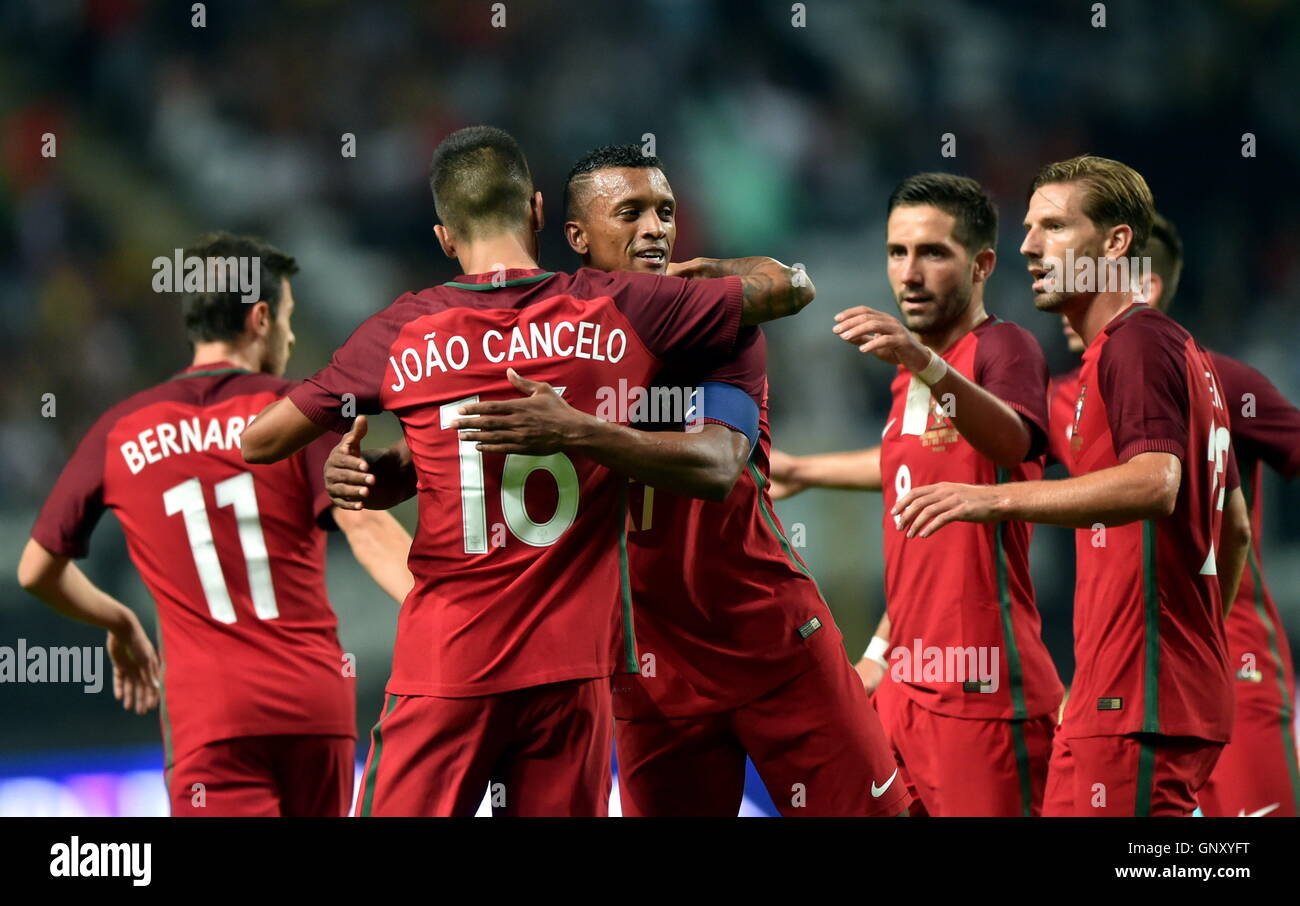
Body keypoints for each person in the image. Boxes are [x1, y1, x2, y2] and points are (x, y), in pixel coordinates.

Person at [239, 126, 815, 816]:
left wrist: (366, 460)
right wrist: (705, 274)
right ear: (541, 212)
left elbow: (260, 442)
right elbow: (788, 288)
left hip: (448, 665)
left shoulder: (401, 332)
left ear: (445, 238)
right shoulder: (620, 306)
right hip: (572, 676)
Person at [895, 156, 1253, 816]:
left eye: (1055, 227)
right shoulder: (1180, 356)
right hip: (1131, 694)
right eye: (1029, 228)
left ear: (1116, 244)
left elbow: (1155, 484)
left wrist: (990, 500)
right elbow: (1234, 529)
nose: (1029, 246)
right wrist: (1193, 657)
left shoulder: (1135, 345)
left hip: (1135, 700)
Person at [18, 232, 414, 817]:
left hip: (212, 717)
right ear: (260, 318)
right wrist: (445, 615)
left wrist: (121, 622)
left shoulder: (121, 429)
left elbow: (36, 571)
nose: (292, 334)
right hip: (315, 707)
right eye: (288, 317)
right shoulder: (296, 415)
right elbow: (369, 531)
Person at [767, 174, 1062, 816]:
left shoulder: (1003, 349)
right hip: (905, 684)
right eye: (897, 252)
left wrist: (923, 362)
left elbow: (1014, 443)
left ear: (983, 263)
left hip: (983, 694)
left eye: (933, 252)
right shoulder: (913, 381)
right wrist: (807, 470)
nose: (909, 272)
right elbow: (907, 471)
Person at [1050, 213, 1300, 818]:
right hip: (1130, 674)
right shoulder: (1065, 395)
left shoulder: (1222, 378)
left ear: (1143, 285)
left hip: (1230, 657)